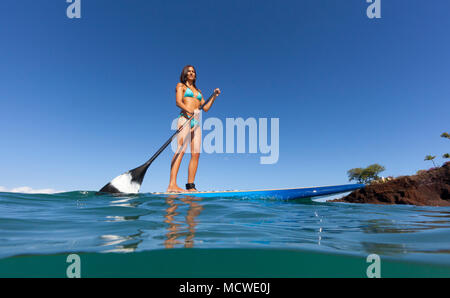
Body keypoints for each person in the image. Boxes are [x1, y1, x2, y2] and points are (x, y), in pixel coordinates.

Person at [166, 65, 221, 193]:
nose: (191, 73)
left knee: (196, 153)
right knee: (181, 149)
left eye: (193, 72)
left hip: (196, 123)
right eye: (189, 71)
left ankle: (190, 186)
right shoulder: (181, 86)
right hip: (184, 118)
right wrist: (189, 110)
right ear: (185, 74)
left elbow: (205, 108)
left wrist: (213, 96)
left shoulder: (199, 91)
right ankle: (172, 185)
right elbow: (178, 102)